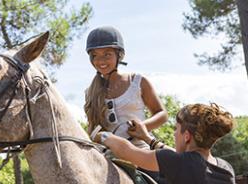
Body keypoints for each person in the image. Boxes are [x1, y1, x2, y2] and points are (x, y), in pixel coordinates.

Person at [96, 103, 236, 184]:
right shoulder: (226, 168)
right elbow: (180, 158)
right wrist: (147, 138)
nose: (175, 134)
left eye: (177, 129)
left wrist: (102, 135)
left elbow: (127, 151)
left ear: (186, 136)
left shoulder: (178, 162)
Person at [84, 26, 168, 150]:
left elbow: (162, 114)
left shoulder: (138, 81)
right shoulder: (90, 91)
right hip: (108, 153)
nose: (101, 60)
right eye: (95, 55)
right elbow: (93, 128)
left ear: (119, 55)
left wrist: (142, 127)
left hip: (140, 148)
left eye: (107, 54)